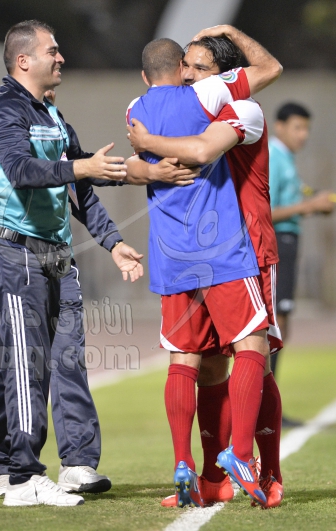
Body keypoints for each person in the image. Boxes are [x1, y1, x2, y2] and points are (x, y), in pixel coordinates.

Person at [0, 20, 143, 507]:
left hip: (56, 257)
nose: (61, 57)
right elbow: (20, 171)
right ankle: (21, 474)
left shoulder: (50, 113)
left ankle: (65, 462)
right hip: (10, 253)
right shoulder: (1, 111)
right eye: (53, 50)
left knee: (63, 359)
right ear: (23, 60)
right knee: (25, 365)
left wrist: (116, 233)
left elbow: (81, 180)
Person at [124, 29, 282, 508]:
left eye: (201, 67)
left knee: (255, 360)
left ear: (225, 75)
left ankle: (269, 474)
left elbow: (201, 149)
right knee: (210, 363)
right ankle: (215, 477)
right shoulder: (192, 104)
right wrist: (146, 166)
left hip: (249, 248)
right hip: (212, 252)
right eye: (186, 66)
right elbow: (135, 165)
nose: (190, 75)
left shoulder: (242, 110)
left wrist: (147, 145)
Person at [269, 102, 336, 427]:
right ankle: (263, 407)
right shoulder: (273, 156)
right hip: (276, 243)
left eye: (306, 128)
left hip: (288, 242)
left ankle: (268, 406)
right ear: (279, 126)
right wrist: (307, 205)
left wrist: (314, 204)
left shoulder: (287, 159)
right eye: (297, 127)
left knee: (281, 325)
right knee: (275, 325)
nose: (303, 135)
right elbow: (263, 210)